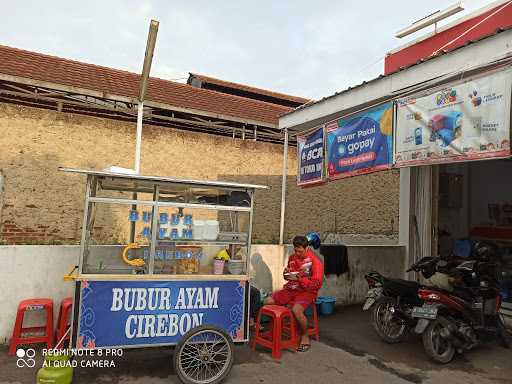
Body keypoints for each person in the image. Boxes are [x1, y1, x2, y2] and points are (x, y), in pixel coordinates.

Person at [263, 235, 324, 352]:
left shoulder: (315, 262)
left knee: (296, 310)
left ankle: (305, 336)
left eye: (300, 251)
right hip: (290, 289)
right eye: (295, 250)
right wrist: (285, 273)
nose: (297, 253)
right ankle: (273, 332)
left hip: (307, 292)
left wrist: (300, 279)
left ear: (307, 249)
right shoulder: (292, 257)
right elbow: (287, 277)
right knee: (267, 302)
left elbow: (316, 284)